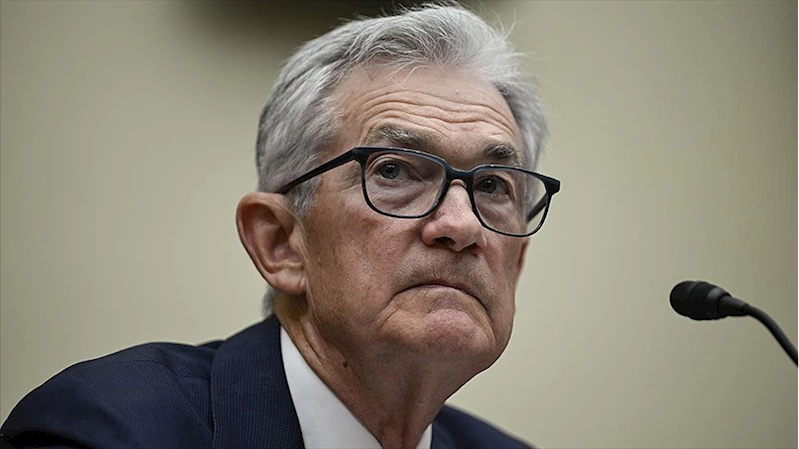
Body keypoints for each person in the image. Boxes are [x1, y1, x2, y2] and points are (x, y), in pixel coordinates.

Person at [1, 2, 560, 448]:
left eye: (493, 186)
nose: (461, 224)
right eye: (393, 171)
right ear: (280, 243)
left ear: (517, 261)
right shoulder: (105, 429)